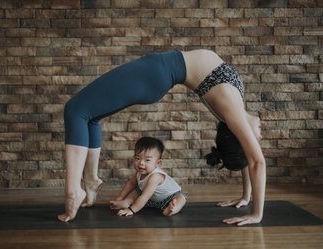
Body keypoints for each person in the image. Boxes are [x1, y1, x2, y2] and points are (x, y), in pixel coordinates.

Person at [57, 49, 266, 226]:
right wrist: (245, 197)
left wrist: (257, 214)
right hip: (157, 72)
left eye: (254, 140)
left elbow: (256, 161)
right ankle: (91, 181)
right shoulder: (235, 110)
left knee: (75, 110)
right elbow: (249, 156)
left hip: (155, 73)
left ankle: (73, 190)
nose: (259, 137)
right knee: (91, 116)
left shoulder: (231, 111)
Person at [109, 137, 186, 216]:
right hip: (153, 199)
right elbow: (131, 183)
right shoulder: (139, 173)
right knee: (137, 190)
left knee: (180, 199)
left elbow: (145, 197)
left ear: (158, 163)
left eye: (147, 160)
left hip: (171, 197)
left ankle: (171, 210)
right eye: (137, 158)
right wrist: (120, 197)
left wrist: (131, 210)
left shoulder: (155, 176)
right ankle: (127, 202)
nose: (141, 163)